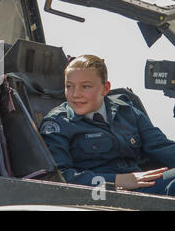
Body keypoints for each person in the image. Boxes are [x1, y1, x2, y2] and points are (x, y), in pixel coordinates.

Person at [40, 54, 175, 196]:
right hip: (101, 194)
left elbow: (161, 146)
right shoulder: (58, 124)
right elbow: (60, 178)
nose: (75, 94)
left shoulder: (127, 112)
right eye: (69, 86)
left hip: (140, 184)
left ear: (105, 89)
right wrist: (118, 180)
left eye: (85, 87)